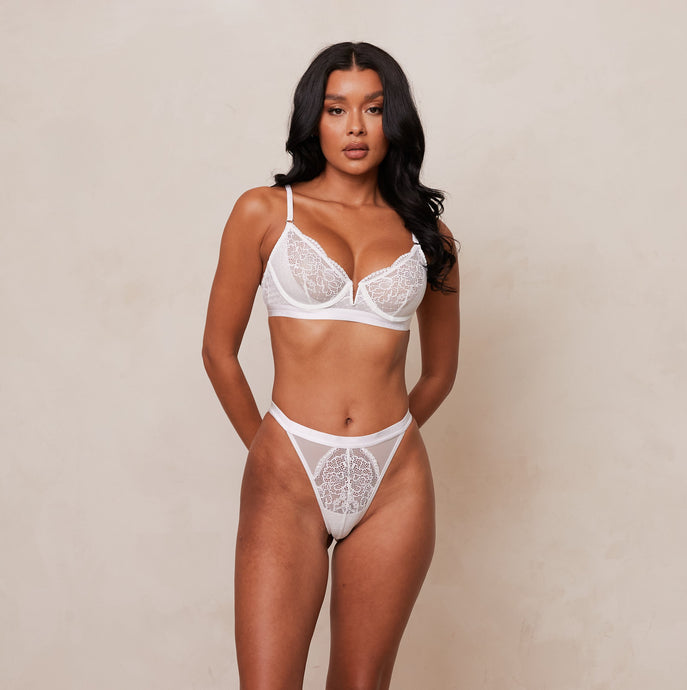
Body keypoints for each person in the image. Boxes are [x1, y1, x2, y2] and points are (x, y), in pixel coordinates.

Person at [202, 41, 460, 690]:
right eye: (336, 109)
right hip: (288, 469)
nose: (355, 127)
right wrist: (267, 446)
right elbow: (218, 351)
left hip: (394, 482)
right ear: (312, 119)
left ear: (393, 119)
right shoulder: (265, 212)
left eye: (373, 108)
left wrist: (389, 439)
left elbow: (439, 373)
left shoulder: (429, 237)